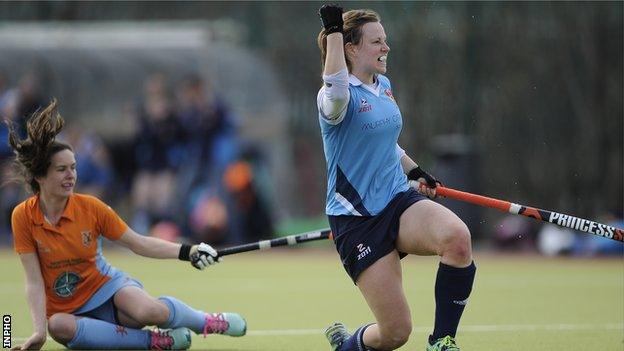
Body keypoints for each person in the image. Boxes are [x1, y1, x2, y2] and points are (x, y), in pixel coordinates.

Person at [6, 99, 247, 350]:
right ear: (40, 177)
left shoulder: (91, 207)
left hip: (107, 288)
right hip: (68, 312)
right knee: (57, 326)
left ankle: (207, 321)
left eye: (74, 168)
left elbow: (139, 243)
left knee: (149, 311)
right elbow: (33, 281)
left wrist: (189, 251)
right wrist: (38, 331)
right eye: (62, 169)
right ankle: (154, 342)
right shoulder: (22, 216)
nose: (71, 176)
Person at [316, 5, 476, 351]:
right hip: (357, 220)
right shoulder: (333, 100)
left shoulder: (383, 85)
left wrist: (414, 170)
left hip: (397, 199)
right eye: (376, 42)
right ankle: (348, 345)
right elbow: (338, 89)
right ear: (351, 48)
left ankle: (442, 340)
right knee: (395, 333)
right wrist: (333, 34)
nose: (386, 48)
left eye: (385, 41)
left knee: (457, 239)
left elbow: (387, 143)